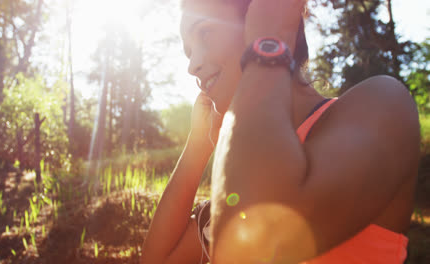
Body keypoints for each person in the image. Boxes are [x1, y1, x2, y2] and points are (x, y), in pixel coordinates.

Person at [141, 0, 420, 263]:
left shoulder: (381, 103)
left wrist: (268, 40)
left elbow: (257, 245)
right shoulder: (242, 174)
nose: (192, 66)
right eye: (188, 51)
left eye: (205, 33)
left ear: (264, 12)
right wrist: (198, 145)